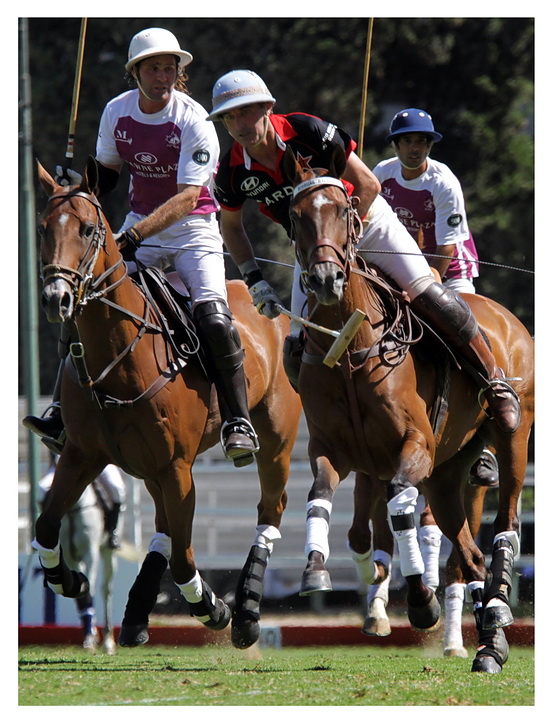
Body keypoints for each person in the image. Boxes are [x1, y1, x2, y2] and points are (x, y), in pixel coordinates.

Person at [207, 70, 521, 437]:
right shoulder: (231, 171)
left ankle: (494, 382)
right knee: (296, 346)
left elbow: (368, 184)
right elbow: (231, 227)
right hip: (314, 249)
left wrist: (350, 235)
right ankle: (333, 427)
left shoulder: (307, 130)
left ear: (267, 108)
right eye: (230, 117)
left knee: (429, 294)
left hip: (367, 223)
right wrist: (255, 280)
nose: (240, 124)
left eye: (247, 112)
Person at [23, 28, 259, 467]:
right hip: (139, 224)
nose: (163, 76)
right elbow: (108, 174)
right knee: (84, 298)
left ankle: (237, 420)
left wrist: (133, 236)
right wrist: (79, 187)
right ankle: (60, 411)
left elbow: (188, 197)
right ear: (135, 72)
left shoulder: (194, 119)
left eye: (170, 68)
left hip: (193, 231)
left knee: (213, 316)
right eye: (154, 68)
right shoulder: (117, 112)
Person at [372, 108, 498, 485]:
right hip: (400, 267)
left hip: (448, 269)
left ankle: (489, 426)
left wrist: (425, 289)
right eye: (408, 141)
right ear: (396, 145)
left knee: (464, 331)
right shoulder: (382, 174)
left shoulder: (443, 183)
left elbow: (445, 249)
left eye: (422, 142)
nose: (416, 148)